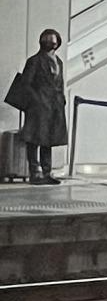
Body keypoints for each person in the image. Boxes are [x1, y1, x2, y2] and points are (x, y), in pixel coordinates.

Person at [13, 29, 68, 185]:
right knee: (34, 139)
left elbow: (60, 83)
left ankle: (47, 172)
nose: (51, 43)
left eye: (53, 40)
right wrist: (37, 100)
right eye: (47, 40)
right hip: (38, 107)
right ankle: (35, 173)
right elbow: (25, 84)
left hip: (54, 105)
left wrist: (62, 99)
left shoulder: (59, 62)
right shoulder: (34, 61)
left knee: (48, 139)